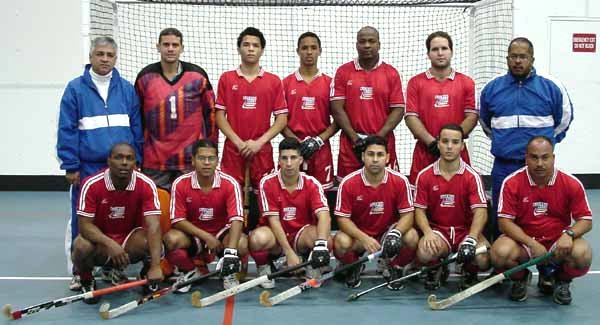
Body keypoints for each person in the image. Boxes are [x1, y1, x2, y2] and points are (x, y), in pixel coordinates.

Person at [57, 36, 143, 291]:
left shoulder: (127, 89)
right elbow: (67, 128)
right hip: (88, 167)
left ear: (115, 59)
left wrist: (136, 159)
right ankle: (79, 270)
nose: (105, 59)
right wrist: (70, 164)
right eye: (100, 54)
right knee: (81, 218)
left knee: (118, 218)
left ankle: (112, 268)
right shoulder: (75, 89)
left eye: (110, 55)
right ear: (91, 56)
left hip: (122, 169)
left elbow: (136, 128)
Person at [479, 37, 573, 238]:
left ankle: (548, 261)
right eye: (513, 56)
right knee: (503, 215)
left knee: (543, 213)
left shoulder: (551, 86)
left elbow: (564, 119)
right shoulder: (492, 88)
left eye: (523, 57)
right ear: (507, 59)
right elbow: (486, 123)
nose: (518, 61)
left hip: (539, 167)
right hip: (504, 166)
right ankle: (505, 261)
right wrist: (503, 142)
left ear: (532, 59)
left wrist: (545, 146)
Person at [491, 136, 592, 305]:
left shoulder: (571, 183)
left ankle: (560, 280)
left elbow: (586, 220)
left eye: (545, 157)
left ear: (553, 158)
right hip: (524, 241)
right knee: (499, 253)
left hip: (557, 242)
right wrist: (531, 243)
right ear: (526, 158)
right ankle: (521, 277)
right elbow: (504, 222)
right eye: (534, 157)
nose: (539, 163)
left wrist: (569, 234)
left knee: (582, 254)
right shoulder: (512, 182)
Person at [71, 143, 163, 304]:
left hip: (130, 241)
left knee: (152, 240)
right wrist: (111, 245)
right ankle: (86, 280)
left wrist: (156, 265)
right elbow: (84, 226)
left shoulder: (146, 184)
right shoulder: (91, 184)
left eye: (129, 158)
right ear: (109, 161)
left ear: (135, 163)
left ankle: (146, 273)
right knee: (80, 245)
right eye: (118, 157)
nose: (124, 162)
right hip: (101, 243)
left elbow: (154, 225)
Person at [135, 27, 217, 191]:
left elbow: (211, 116)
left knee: (190, 211)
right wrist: (138, 156)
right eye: (166, 44)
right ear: (158, 47)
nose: (170, 49)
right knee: (157, 212)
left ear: (182, 48)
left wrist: (211, 152)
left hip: (190, 160)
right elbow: (137, 119)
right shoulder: (145, 77)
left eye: (175, 45)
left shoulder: (197, 76)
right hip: (155, 162)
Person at [333, 135, 418, 289]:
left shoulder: (399, 181)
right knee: (340, 241)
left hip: (387, 233)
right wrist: (364, 238)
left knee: (411, 236)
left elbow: (408, 215)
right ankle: (354, 265)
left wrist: (395, 234)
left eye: (380, 155)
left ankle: (393, 266)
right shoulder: (348, 183)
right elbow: (342, 219)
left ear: (387, 158)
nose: (375, 159)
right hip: (360, 236)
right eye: (370, 154)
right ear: (363, 156)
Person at [163, 139, 248, 291]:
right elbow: (177, 220)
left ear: (217, 161)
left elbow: (236, 219)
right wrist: (207, 237)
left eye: (211, 158)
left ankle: (229, 271)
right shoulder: (180, 183)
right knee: (171, 239)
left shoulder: (230, 183)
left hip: (222, 232)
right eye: (202, 158)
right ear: (193, 161)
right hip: (194, 233)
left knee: (241, 243)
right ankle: (191, 271)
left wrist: (231, 253)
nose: (207, 162)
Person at [414, 124, 490, 291]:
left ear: (462, 146)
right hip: (439, 232)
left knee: (483, 259)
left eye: (455, 142)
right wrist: (427, 233)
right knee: (425, 252)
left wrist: (472, 237)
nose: (449, 146)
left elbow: (481, 211)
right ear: (438, 143)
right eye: (445, 141)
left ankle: (469, 270)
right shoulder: (424, 175)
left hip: (465, 231)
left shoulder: (472, 177)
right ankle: (437, 266)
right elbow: (419, 210)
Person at [249, 138, 332, 289]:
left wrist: (321, 245)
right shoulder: (267, 182)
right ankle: (264, 267)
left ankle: (311, 265)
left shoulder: (312, 182)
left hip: (300, 235)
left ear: (300, 160)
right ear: (278, 160)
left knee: (326, 239)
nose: (288, 163)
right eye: (284, 158)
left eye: (293, 158)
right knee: (257, 238)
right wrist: (288, 252)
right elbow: (273, 221)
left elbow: (324, 215)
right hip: (276, 238)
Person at [215, 27, 288, 193]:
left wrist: (259, 143)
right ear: (238, 48)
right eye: (246, 44)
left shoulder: (273, 81)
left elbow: (282, 118)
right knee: (231, 197)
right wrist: (239, 143)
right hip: (233, 150)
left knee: (264, 198)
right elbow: (219, 115)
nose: (250, 48)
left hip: (262, 151)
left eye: (255, 45)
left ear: (262, 50)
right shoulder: (226, 78)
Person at [331, 26, 404, 180]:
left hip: (383, 143)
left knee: (386, 190)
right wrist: (355, 138)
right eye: (362, 41)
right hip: (351, 145)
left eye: (371, 41)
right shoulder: (343, 71)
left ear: (379, 44)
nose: (367, 45)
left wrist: (377, 138)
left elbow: (398, 109)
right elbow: (337, 108)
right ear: (356, 44)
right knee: (348, 191)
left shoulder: (391, 73)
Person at [405, 31, 478, 185]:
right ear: (428, 54)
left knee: (459, 201)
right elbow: (411, 117)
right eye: (435, 49)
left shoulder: (467, 82)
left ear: (451, 52)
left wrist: (451, 142)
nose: (440, 53)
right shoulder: (415, 82)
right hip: (426, 151)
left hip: (456, 153)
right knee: (421, 202)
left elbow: (471, 116)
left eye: (444, 48)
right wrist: (432, 143)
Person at [282, 32, 338, 190]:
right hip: (293, 151)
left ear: (320, 50)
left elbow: (339, 119)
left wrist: (318, 141)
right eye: (304, 48)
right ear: (297, 51)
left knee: (322, 197)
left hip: (321, 151)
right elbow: (280, 120)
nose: (309, 52)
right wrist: (297, 143)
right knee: (292, 195)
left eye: (313, 48)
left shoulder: (330, 83)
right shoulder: (285, 84)